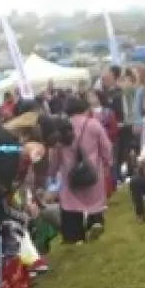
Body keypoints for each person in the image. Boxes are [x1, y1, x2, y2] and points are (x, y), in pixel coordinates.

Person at [48, 94, 112, 243]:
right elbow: (106, 147)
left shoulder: (62, 128)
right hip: (92, 171)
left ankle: (75, 237)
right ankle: (94, 222)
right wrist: (108, 163)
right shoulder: (93, 124)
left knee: (71, 205)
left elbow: (57, 154)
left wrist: (52, 172)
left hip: (70, 174)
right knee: (94, 201)